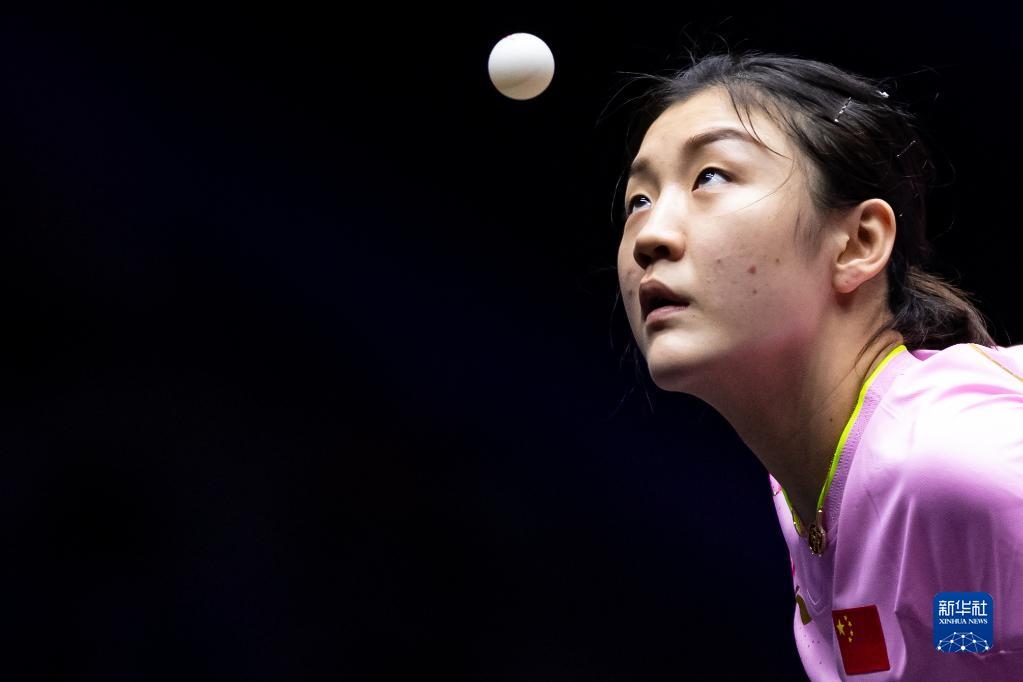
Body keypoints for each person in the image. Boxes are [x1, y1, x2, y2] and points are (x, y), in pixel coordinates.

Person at [612, 50, 1022, 680]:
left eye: (711, 177)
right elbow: (978, 638)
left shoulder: (954, 460)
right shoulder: (813, 485)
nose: (649, 237)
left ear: (858, 243)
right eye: (638, 200)